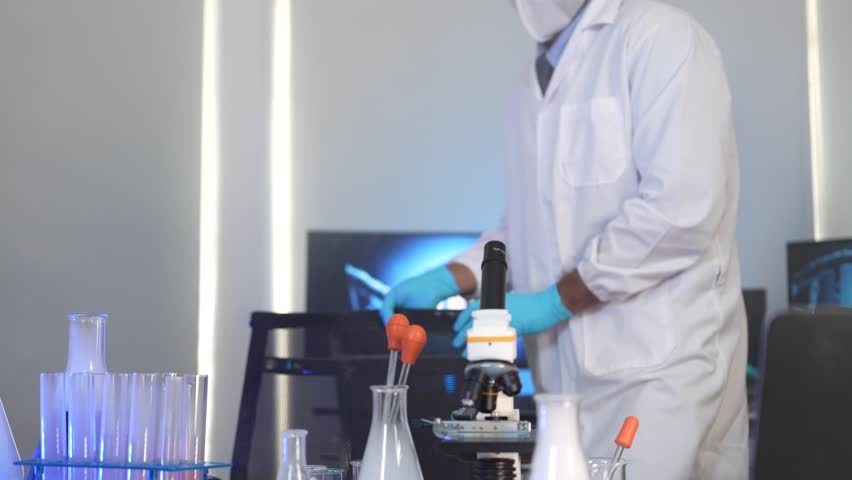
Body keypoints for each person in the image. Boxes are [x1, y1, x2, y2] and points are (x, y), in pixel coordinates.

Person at [381, 0, 748, 478]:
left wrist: (553, 301)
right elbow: (525, 227)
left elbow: (680, 209)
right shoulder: (528, 86)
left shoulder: (660, 37)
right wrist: (451, 277)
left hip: (658, 372)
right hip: (561, 384)